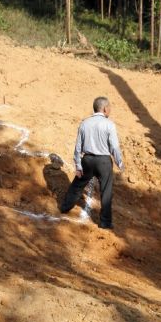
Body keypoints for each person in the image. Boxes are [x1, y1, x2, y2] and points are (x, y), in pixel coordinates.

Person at [60, 96, 124, 229]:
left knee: (77, 185)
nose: (110, 110)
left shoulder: (85, 123)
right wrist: (120, 163)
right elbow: (114, 147)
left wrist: (78, 165)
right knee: (106, 191)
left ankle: (65, 207)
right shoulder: (109, 124)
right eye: (110, 107)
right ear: (105, 109)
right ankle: (105, 222)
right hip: (104, 162)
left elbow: (78, 147)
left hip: (87, 160)